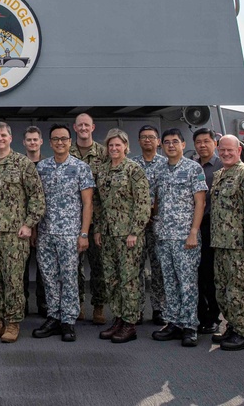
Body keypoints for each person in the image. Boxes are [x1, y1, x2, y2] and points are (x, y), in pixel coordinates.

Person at [0, 121, 45, 344]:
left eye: (4, 135)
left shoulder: (23, 164)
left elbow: (37, 198)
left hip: (14, 234)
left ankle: (13, 322)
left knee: (13, 280)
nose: (0, 138)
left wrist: (28, 224)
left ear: (11, 138)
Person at [31, 124, 94, 343]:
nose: (60, 142)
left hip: (70, 233)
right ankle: (53, 316)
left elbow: (87, 203)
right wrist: (35, 230)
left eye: (64, 139)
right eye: (55, 139)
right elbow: (36, 201)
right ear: (49, 142)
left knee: (69, 278)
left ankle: (68, 320)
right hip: (46, 232)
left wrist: (84, 233)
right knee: (48, 277)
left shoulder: (81, 168)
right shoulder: (42, 168)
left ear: (70, 141)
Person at [209, 135, 244, 351]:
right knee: (223, 289)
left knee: (240, 289)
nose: (225, 153)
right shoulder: (221, 174)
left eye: (230, 150)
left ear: (239, 151)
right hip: (222, 243)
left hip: (241, 245)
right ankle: (233, 326)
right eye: (222, 150)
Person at [149, 128, 206, 348]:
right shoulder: (158, 170)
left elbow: (200, 202)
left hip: (185, 236)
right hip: (164, 235)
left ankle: (190, 325)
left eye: (175, 141)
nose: (171, 145)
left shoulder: (193, 169)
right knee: (169, 282)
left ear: (183, 144)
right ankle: (173, 322)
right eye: (166, 142)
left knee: (187, 283)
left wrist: (193, 231)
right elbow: (154, 200)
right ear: (161, 146)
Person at [93, 129, 150, 344]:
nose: (114, 149)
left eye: (118, 145)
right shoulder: (103, 170)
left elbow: (143, 203)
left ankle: (130, 323)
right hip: (108, 234)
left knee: (129, 280)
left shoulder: (134, 170)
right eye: (111, 146)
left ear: (126, 146)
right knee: (112, 279)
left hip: (128, 235)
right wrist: (98, 229)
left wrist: (135, 231)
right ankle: (118, 318)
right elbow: (98, 204)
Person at [70, 113, 107, 324]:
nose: (83, 128)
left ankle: (99, 306)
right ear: (75, 128)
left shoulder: (103, 153)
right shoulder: (68, 152)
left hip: (97, 220)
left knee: (98, 265)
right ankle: (78, 304)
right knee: (74, 266)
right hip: (73, 219)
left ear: (93, 127)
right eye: (80, 125)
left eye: (87, 124)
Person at [133, 124, 167, 325]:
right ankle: (136, 309)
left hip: (158, 224)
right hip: (136, 226)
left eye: (151, 137)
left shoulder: (165, 164)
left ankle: (158, 308)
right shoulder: (132, 164)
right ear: (138, 141)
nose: (147, 140)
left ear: (158, 141)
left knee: (158, 268)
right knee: (135, 267)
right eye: (144, 137)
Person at [192, 127, 223, 334]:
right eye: (199, 142)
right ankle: (200, 315)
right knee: (197, 273)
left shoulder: (222, 166)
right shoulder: (192, 167)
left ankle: (213, 317)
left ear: (214, 143)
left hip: (214, 225)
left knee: (211, 274)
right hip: (194, 225)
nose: (203, 145)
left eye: (206, 141)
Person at [21, 126, 48, 318]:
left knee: (44, 270)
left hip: (45, 225)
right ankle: (21, 306)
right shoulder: (19, 165)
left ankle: (43, 305)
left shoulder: (47, 166)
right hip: (22, 226)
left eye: (35, 139)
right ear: (24, 143)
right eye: (29, 139)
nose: (32, 142)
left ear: (40, 142)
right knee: (20, 270)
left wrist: (37, 227)